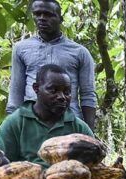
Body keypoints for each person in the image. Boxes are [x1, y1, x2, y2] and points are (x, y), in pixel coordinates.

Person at [7, 0, 96, 129]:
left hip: (69, 123)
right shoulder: (21, 49)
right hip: (31, 122)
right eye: (37, 14)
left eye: (48, 14)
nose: (42, 18)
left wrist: (89, 132)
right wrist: (12, 127)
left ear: (60, 19)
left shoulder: (80, 52)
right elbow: (16, 93)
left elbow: (88, 95)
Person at [0, 64, 94, 167]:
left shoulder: (79, 128)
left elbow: (95, 165)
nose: (62, 97)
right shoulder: (15, 123)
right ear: (36, 88)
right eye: (53, 90)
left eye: (67, 92)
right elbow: (1, 162)